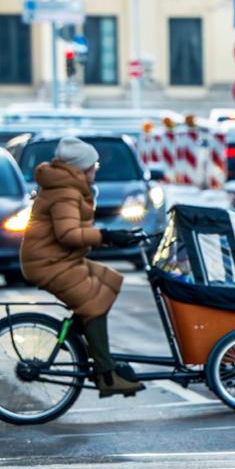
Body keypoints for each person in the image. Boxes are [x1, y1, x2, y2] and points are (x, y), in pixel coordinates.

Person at [19, 137, 145, 397]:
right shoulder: (65, 191)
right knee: (93, 301)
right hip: (48, 263)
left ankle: (80, 335)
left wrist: (113, 237)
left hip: (60, 259)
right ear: (80, 169)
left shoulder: (68, 187)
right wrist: (107, 236)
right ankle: (107, 375)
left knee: (110, 280)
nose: (96, 169)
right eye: (93, 165)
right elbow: (68, 234)